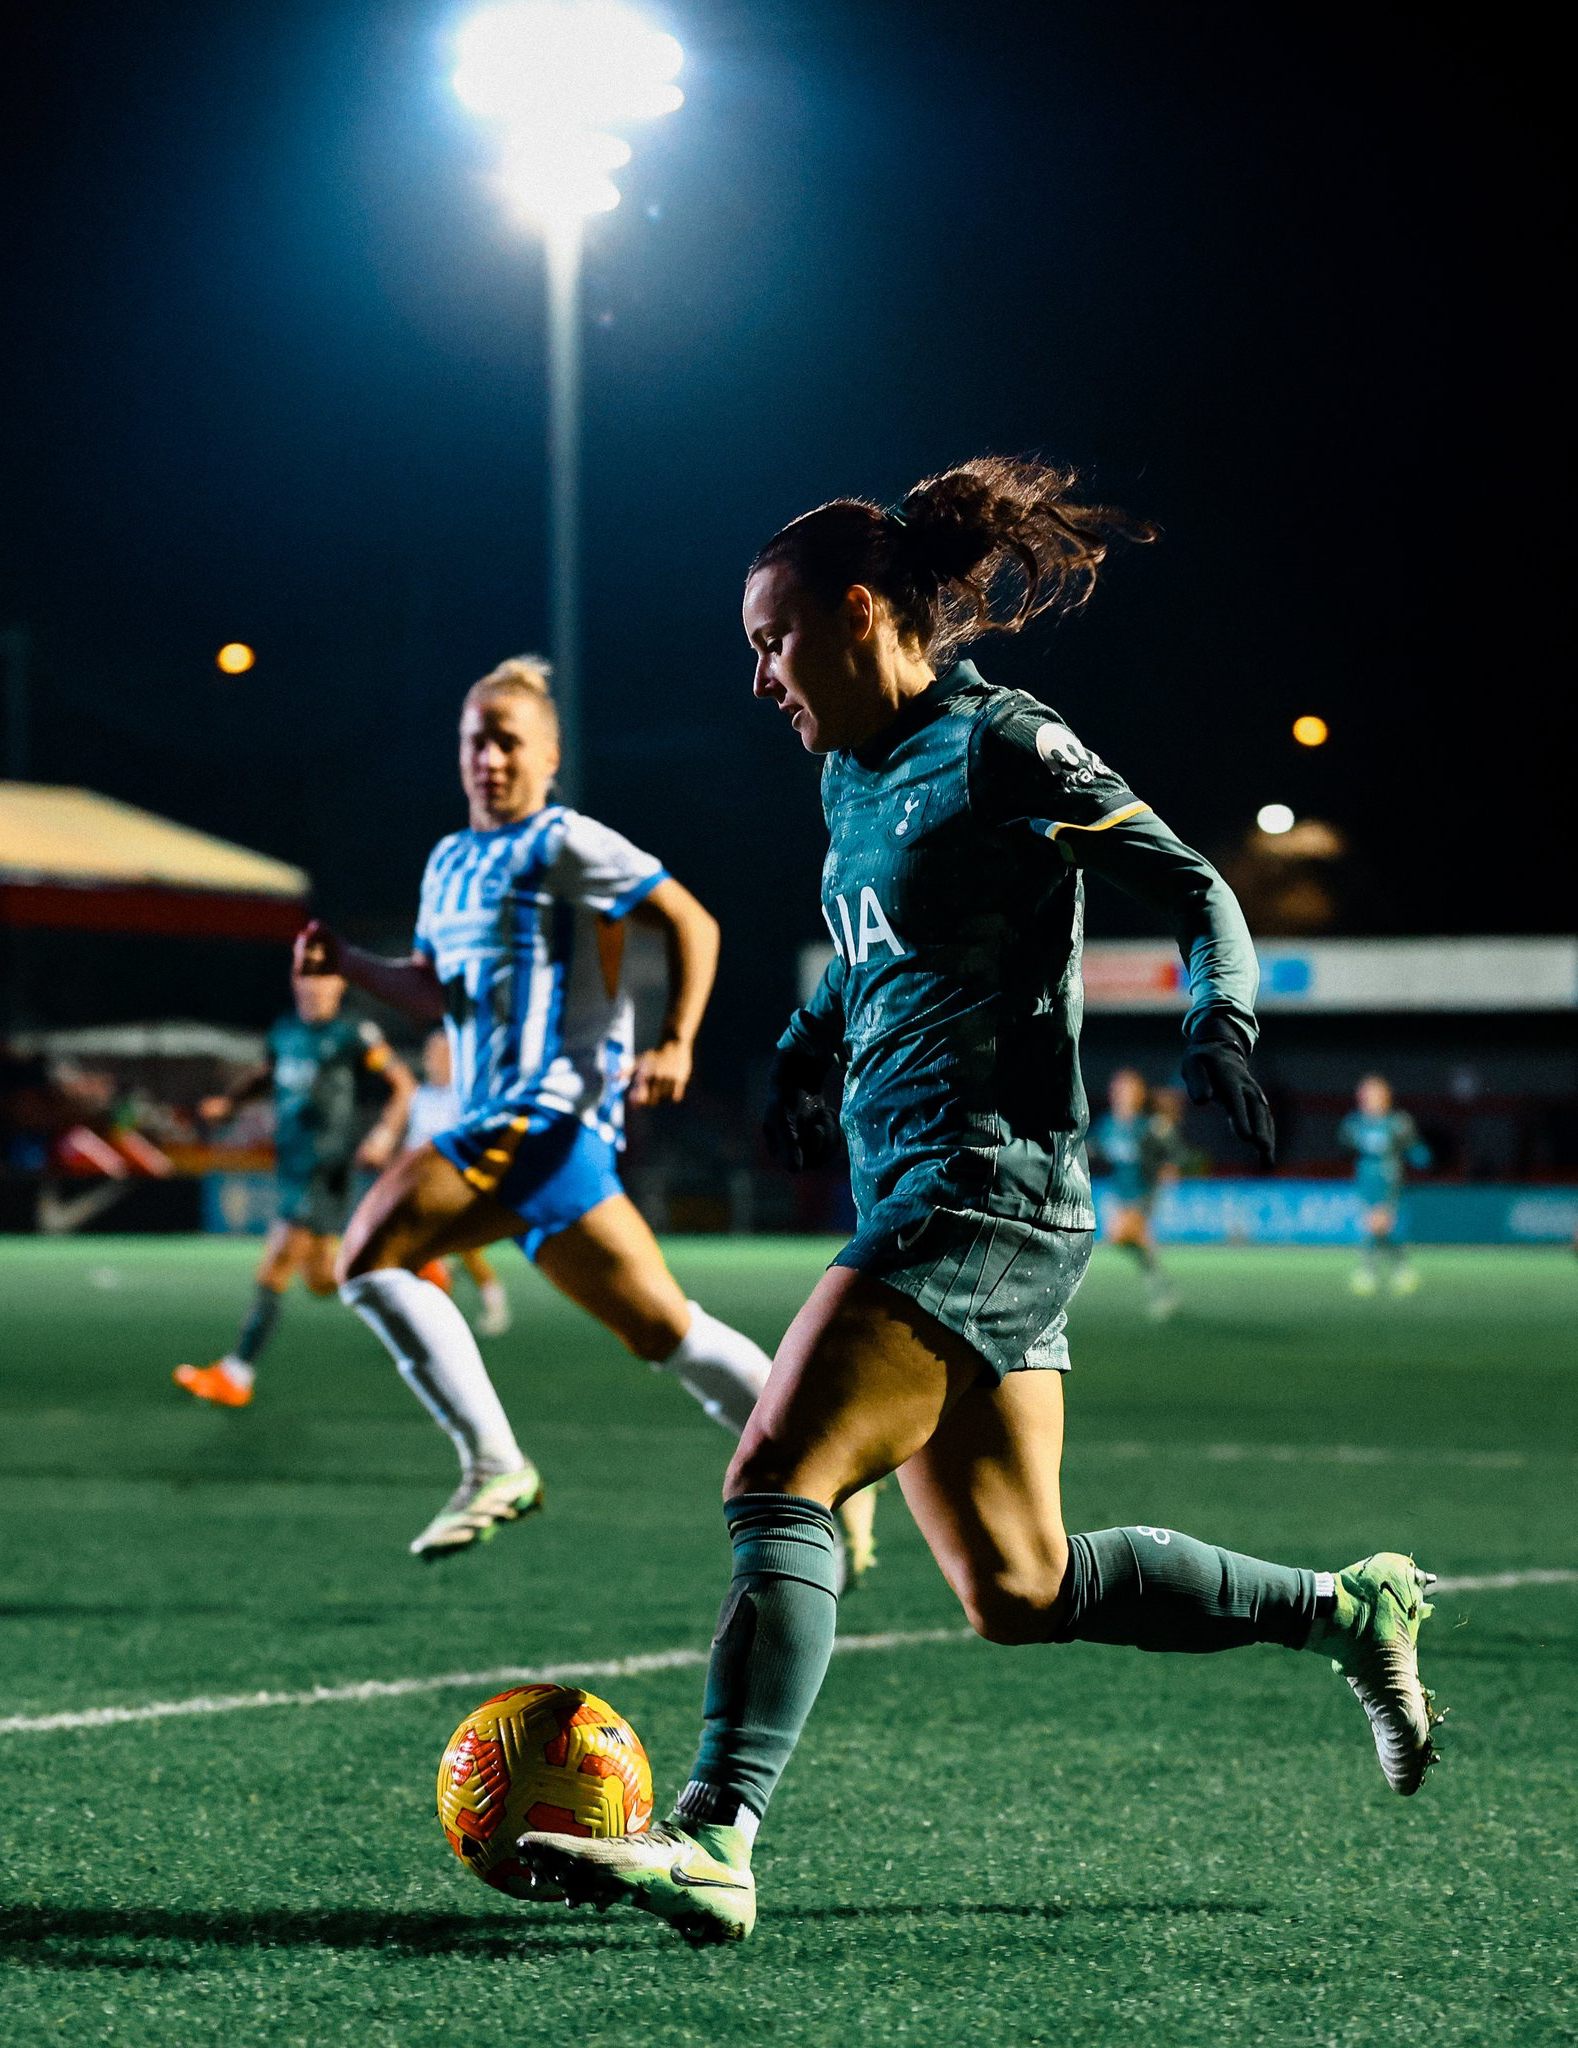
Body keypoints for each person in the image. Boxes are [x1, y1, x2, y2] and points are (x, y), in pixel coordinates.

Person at [519, 456, 1440, 1943]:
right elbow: (876, 951)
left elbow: (1191, 883)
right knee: (1013, 1584)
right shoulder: (844, 769)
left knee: (777, 1469)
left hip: (985, 1192)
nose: (758, 678)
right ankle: (1350, 1609)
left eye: (769, 639)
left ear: (860, 611)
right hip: (924, 1191)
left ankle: (712, 1834)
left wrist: (1221, 1022)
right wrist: (805, 1049)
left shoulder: (1001, 744)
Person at [297, 658, 850, 1570]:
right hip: (525, 1139)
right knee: (664, 1330)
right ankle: (820, 1466)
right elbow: (437, 994)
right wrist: (350, 963)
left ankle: (494, 1464)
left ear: (548, 755)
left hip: (546, 1114)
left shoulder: (563, 842)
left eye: (510, 741)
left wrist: (675, 1040)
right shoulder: (448, 862)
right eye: (477, 740)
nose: (491, 757)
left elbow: (690, 921)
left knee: (367, 1252)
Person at [174, 968, 415, 1407]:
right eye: (307, 977)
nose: (314, 986)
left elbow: (403, 1086)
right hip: (292, 1165)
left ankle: (237, 1372)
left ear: (339, 986)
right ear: (294, 982)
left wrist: (382, 1135)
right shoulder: (285, 1031)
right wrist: (230, 1104)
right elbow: (266, 1075)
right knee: (322, 1279)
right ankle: (405, 1277)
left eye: (324, 978)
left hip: (328, 1168)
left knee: (275, 1265)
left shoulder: (354, 1034)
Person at [404, 1027, 513, 1338]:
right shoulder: (421, 1096)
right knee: (423, 1253)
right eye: (430, 1053)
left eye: (442, 1053)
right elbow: (414, 1144)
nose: (434, 1060)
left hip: (458, 1186)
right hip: (424, 1187)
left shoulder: (466, 1096)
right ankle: (432, 1319)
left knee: (465, 1250)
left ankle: (493, 1303)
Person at [1091, 1067, 1178, 1317]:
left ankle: (1158, 1286)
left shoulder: (1147, 1125)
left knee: (1119, 1233)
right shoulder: (1107, 1125)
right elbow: (1090, 1149)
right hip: (1119, 1193)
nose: (1121, 1094)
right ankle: (1161, 1287)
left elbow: (1170, 1150)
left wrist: (1168, 1167)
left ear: (1138, 1094)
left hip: (1144, 1192)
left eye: (1127, 1089)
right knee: (1128, 1240)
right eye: (1118, 1089)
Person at [1339, 1075, 1431, 1295]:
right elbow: (1344, 1141)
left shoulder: (1396, 1122)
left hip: (1388, 1177)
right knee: (1375, 1227)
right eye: (1365, 1095)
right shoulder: (1356, 1123)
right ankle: (1401, 1268)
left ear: (1385, 1097)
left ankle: (1368, 1272)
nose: (1367, 1099)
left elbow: (1412, 1147)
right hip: (1365, 1178)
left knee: (1377, 1223)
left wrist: (1421, 1156)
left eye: (1373, 1094)